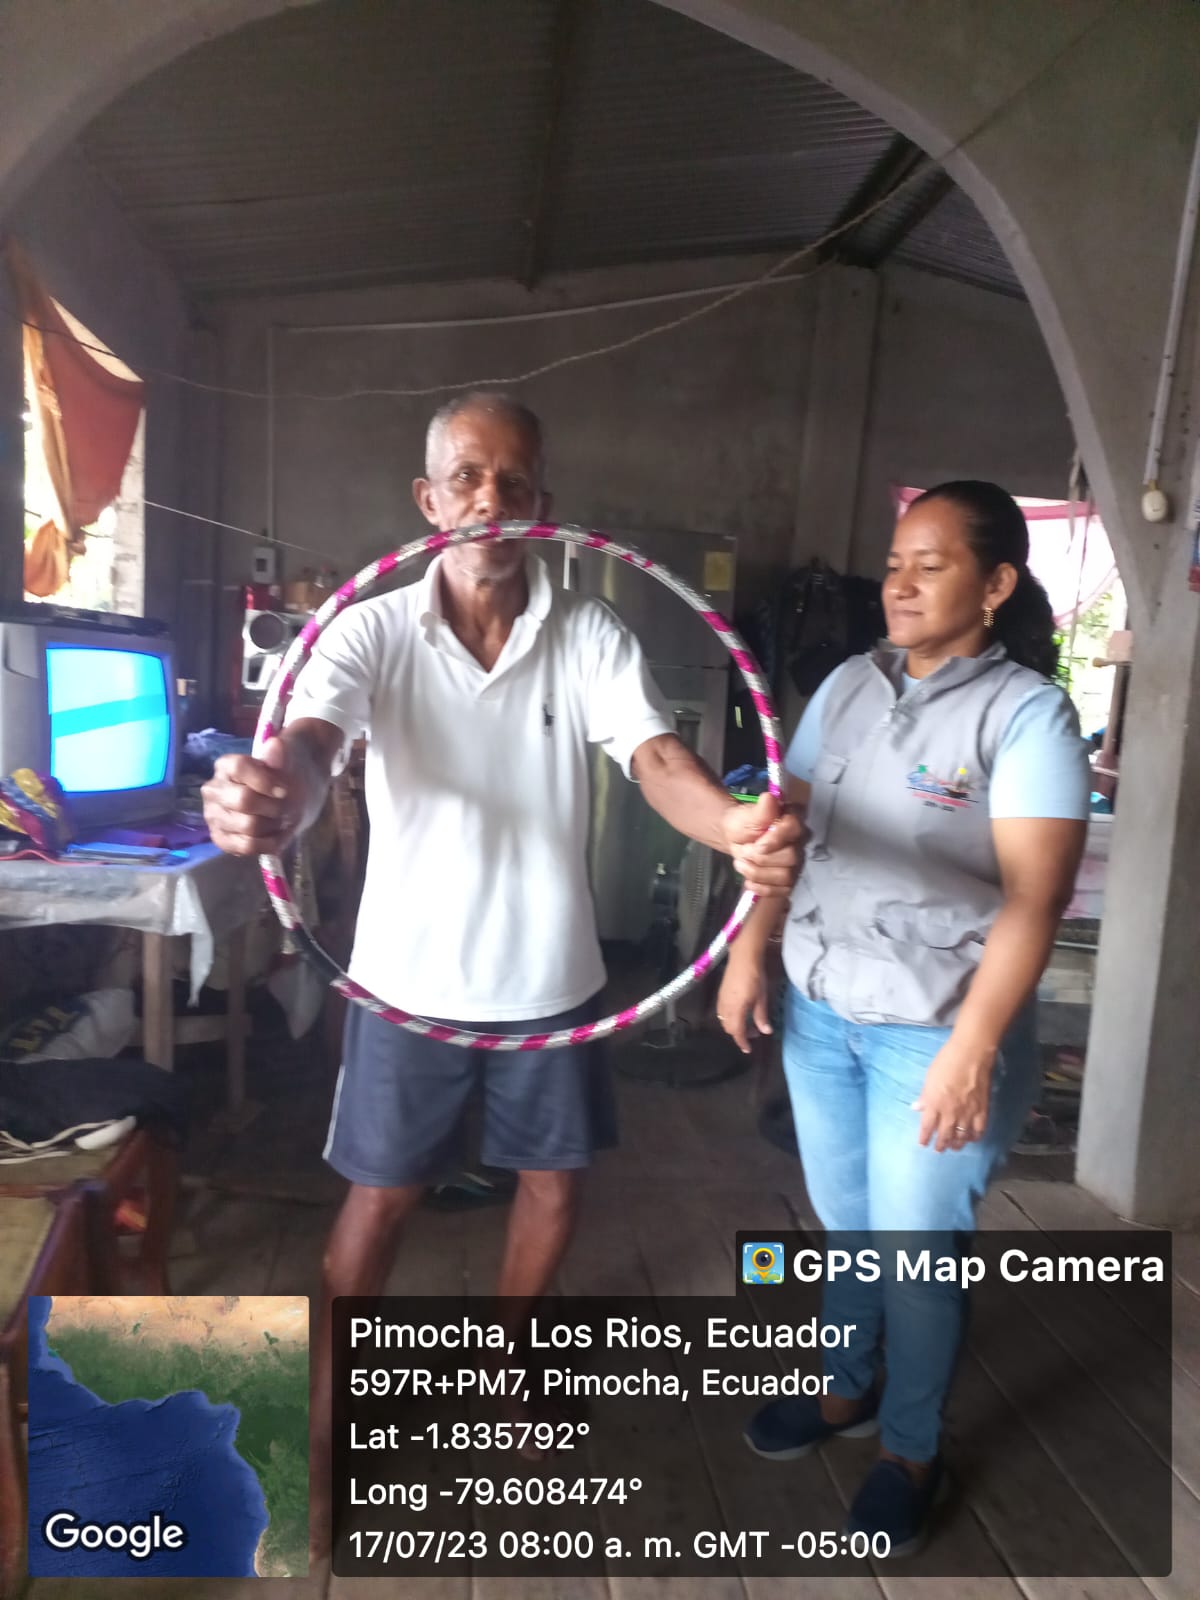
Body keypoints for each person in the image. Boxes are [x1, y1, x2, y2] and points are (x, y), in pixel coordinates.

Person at [202, 390, 803, 1555]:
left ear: (543, 506)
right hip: (407, 981)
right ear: (428, 500)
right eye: (467, 479)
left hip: (552, 978)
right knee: (380, 1198)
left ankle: (508, 1364)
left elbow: (658, 760)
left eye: (514, 482)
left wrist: (734, 825)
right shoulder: (370, 630)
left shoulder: (588, 633)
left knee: (555, 1190)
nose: (491, 500)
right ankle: (324, 1416)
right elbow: (312, 746)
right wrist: (271, 794)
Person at [717, 480, 1089, 1557]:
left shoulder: (1026, 714)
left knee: (918, 1252)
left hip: (936, 1032)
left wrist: (973, 1047)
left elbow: (1037, 899)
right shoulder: (846, 684)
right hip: (823, 1014)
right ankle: (848, 1388)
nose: (901, 584)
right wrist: (748, 952)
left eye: (933, 564)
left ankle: (911, 1451)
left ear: (996, 583)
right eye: (894, 564)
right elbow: (782, 834)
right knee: (849, 1227)